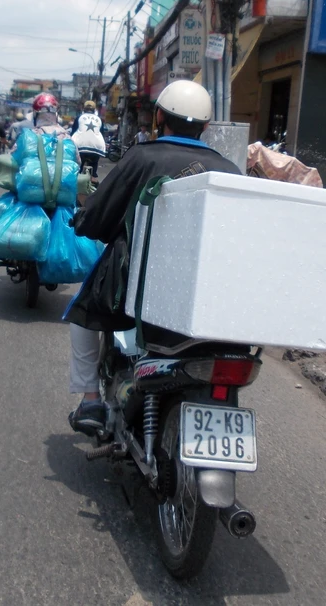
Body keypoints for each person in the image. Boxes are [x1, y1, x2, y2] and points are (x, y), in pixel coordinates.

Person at [64, 80, 241, 434]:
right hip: (207, 292)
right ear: (205, 126)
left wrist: (84, 219)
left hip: (136, 286)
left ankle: (90, 401)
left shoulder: (143, 157)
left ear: (160, 116)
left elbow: (97, 218)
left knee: (82, 317)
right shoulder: (229, 170)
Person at [70, 100, 106, 179]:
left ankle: (77, 182)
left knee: (78, 168)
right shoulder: (99, 119)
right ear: (94, 109)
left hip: (80, 146)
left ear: (84, 109)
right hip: (96, 147)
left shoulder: (79, 118)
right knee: (93, 167)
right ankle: (93, 180)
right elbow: (102, 133)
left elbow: (73, 131)